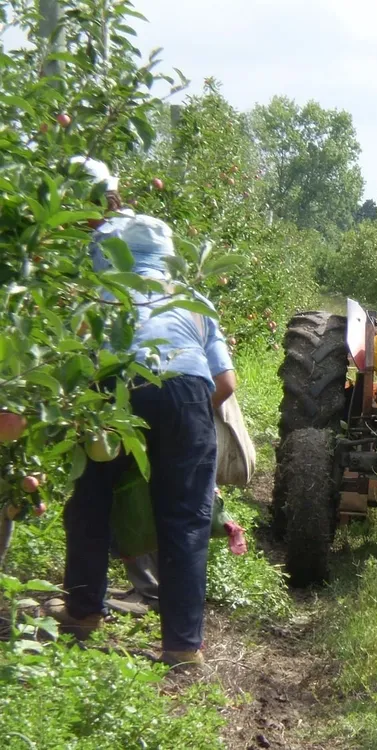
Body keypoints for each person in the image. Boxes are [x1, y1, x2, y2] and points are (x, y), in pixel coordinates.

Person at [46, 157, 236, 671]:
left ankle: (83, 614)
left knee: (91, 501)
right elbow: (226, 384)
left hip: (116, 383)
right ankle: (181, 648)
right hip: (188, 392)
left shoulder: (98, 296)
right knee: (186, 520)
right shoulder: (193, 299)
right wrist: (182, 426)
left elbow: (76, 367)